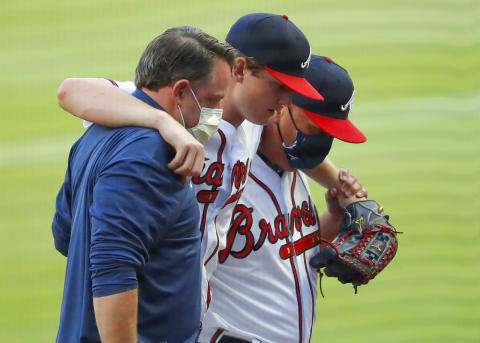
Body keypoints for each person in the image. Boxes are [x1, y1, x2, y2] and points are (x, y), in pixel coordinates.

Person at [56, 13, 351, 316]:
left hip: (191, 316)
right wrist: (162, 123)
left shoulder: (255, 122)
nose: (287, 100)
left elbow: (296, 151)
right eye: (279, 86)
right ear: (240, 69)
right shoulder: (188, 111)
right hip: (139, 310)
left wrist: (343, 188)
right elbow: (70, 91)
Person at [52, 27, 234, 343]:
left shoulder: (96, 133)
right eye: (212, 100)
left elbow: (65, 234)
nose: (216, 113)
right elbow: (113, 268)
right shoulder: (150, 155)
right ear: (180, 91)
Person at [200, 55, 367, 343]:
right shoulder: (224, 180)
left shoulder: (296, 175)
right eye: (315, 126)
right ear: (280, 107)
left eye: (330, 133)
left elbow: (286, 250)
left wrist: (336, 218)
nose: (321, 141)